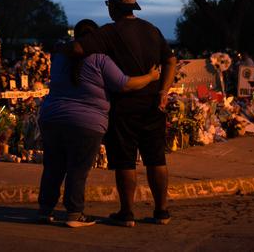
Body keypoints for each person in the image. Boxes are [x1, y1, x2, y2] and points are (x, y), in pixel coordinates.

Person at [71, 0, 177, 227]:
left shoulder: (109, 32)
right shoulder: (152, 30)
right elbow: (171, 61)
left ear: (114, 7)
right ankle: (162, 211)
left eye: (109, 6)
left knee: (125, 161)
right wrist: (163, 91)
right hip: (153, 106)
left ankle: (127, 213)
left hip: (123, 106)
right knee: (157, 159)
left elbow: (77, 47)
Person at [37, 19, 161, 228]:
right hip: (86, 123)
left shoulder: (59, 58)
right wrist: (150, 77)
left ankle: (44, 210)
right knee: (77, 169)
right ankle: (74, 214)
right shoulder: (100, 60)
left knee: (52, 167)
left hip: (52, 118)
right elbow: (125, 84)